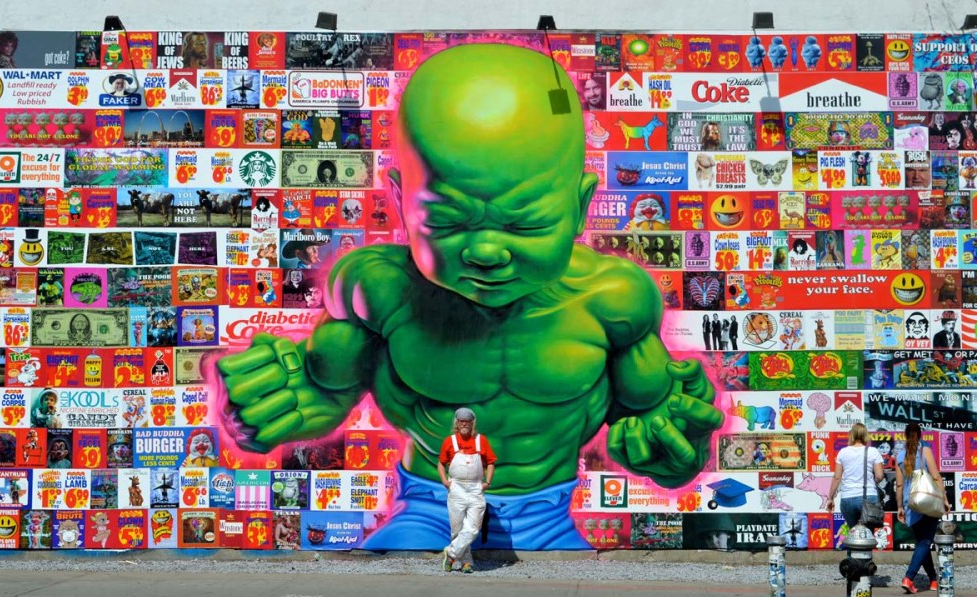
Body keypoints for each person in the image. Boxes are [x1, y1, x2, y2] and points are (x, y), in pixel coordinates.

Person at [216, 44, 723, 551]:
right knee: (386, 595)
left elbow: (655, 427)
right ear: (399, 201)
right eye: (448, 221)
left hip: (545, 518)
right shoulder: (378, 294)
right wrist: (266, 407)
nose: (485, 251)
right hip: (430, 507)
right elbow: (318, 395)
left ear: (579, 207)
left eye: (526, 223)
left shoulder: (613, 302)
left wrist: (675, 449)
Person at [438, 407, 495, 573]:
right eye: (461, 420)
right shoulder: (450, 441)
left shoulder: (481, 441)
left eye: (467, 420)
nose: (464, 423)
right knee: (457, 529)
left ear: (472, 423)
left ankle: (451, 553)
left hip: (476, 488)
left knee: (473, 528)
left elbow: (490, 462)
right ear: (456, 422)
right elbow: (441, 463)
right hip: (456, 488)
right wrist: (445, 481)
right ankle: (466, 563)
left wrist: (488, 482)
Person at [895, 423, 950, 593]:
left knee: (922, 543)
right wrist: (945, 499)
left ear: (905, 435)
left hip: (911, 503)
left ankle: (933, 580)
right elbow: (936, 477)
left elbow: (899, 484)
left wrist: (899, 507)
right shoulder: (925, 451)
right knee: (925, 542)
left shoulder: (900, 456)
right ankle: (909, 577)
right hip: (927, 501)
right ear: (920, 435)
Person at [825, 422, 884, 528]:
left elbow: (837, 477)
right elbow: (880, 476)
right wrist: (872, 482)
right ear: (865, 435)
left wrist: (830, 498)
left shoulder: (842, 452)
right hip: (869, 496)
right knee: (868, 535)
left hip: (848, 497)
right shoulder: (873, 451)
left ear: (851, 435)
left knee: (853, 534)